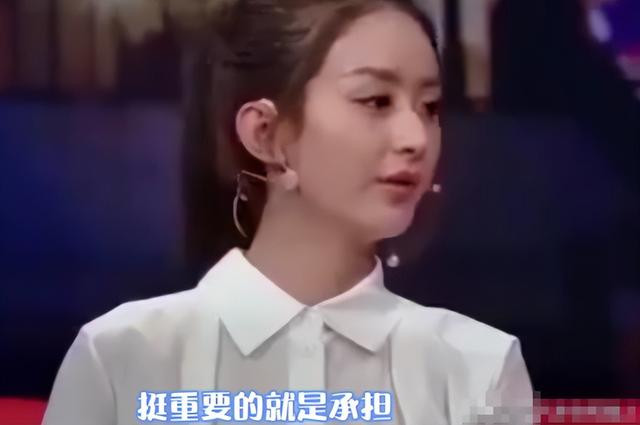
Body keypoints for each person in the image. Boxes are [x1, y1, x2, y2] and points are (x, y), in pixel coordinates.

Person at [43, 1, 534, 424]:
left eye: (429, 107)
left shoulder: (478, 366)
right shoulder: (122, 357)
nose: (416, 138)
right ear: (266, 134)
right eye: (376, 101)